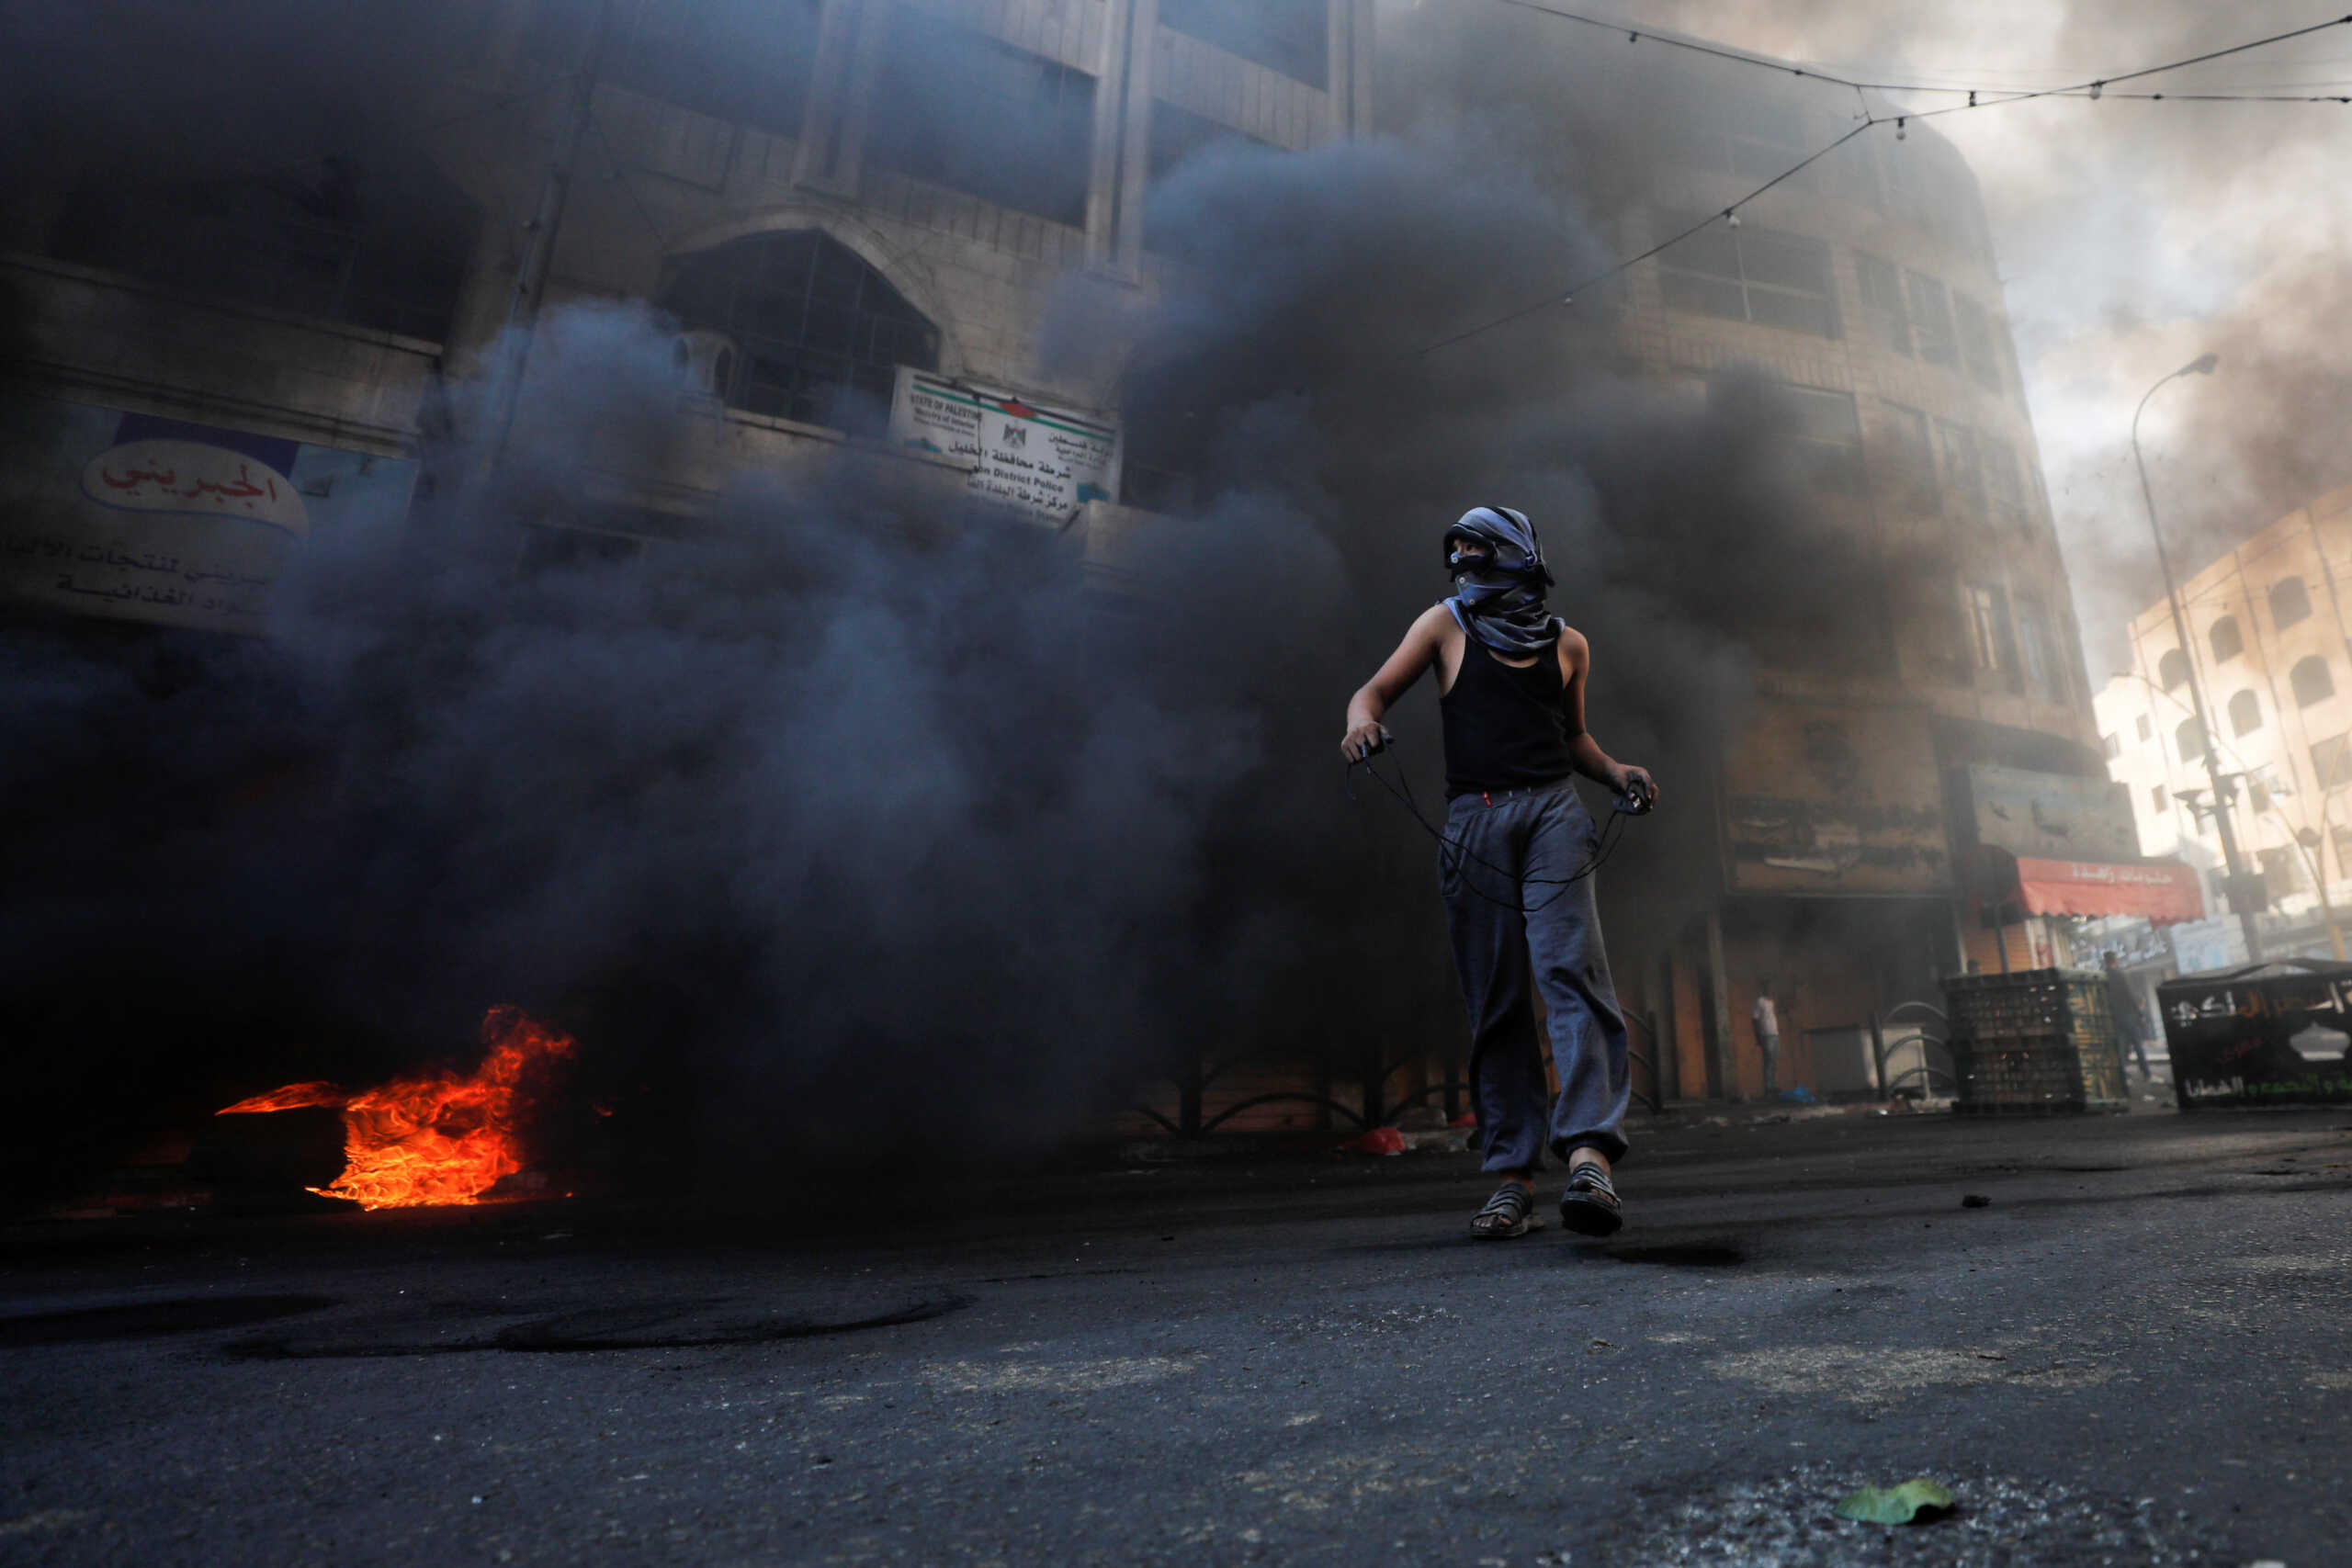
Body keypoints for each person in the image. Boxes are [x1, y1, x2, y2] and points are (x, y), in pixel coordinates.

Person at [1340, 505, 1657, 1240]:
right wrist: (1359, 724)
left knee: (1571, 974)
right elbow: (1372, 693)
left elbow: (1572, 737)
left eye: (1478, 553)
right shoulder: (1444, 625)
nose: (1464, 567)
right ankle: (1512, 1179)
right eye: (1458, 556)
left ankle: (1589, 1160)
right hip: (1474, 822)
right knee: (1497, 996)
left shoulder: (1569, 645)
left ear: (1516, 554)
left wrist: (1616, 772)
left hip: (1553, 813)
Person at [2103, 952, 2153, 1077]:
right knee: (2137, 1045)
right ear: (2115, 960)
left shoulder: (2104, 976)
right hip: (2128, 1014)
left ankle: (2123, 1076)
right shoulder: (2120, 975)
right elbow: (2129, 995)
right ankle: (2146, 1073)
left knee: (2120, 1046)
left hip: (2115, 1016)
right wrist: (2140, 1014)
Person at [1753, 982, 1781, 1099]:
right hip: (1766, 1035)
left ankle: (1774, 1087)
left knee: (1774, 1061)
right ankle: (1768, 1088)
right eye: (1768, 987)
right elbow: (1754, 1019)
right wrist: (1757, 1036)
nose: (1771, 990)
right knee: (1768, 1061)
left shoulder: (1772, 1002)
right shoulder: (1760, 1001)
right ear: (1764, 989)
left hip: (1775, 1034)